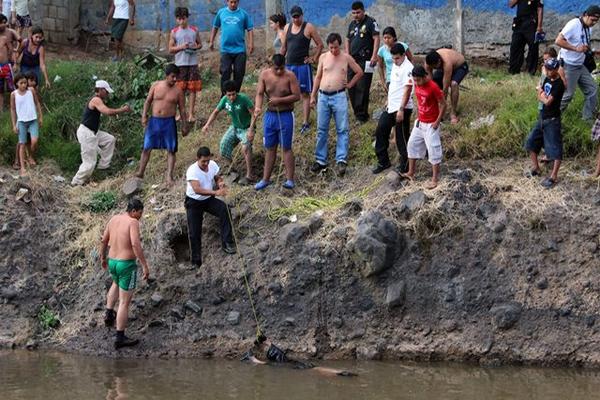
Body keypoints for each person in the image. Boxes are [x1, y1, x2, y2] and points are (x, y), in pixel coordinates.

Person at [310, 33, 363, 176]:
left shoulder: (345, 57)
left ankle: (341, 159)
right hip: (323, 96)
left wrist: (350, 84)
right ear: (328, 46)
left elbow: (359, 71)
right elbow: (318, 76)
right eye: (331, 47)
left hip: (339, 95)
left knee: (342, 128)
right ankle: (320, 160)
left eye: (336, 47)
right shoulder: (323, 57)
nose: (334, 50)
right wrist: (313, 95)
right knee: (321, 129)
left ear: (340, 45)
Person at [100, 197, 150, 349]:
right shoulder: (132, 222)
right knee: (124, 302)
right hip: (126, 264)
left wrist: (103, 257)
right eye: (140, 213)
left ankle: (109, 315)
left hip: (113, 261)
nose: (140, 216)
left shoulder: (114, 218)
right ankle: (120, 337)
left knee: (115, 283)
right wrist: (144, 265)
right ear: (133, 211)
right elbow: (135, 243)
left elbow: (104, 240)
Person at [253, 54, 300, 190]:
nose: (279, 71)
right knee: (270, 148)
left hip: (286, 115)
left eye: (281, 68)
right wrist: (257, 107)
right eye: (276, 69)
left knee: (286, 148)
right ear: (271, 65)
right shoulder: (265, 75)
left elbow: (296, 96)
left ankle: (290, 180)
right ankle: (265, 179)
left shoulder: (290, 76)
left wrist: (280, 100)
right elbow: (260, 94)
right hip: (270, 116)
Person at [135, 64, 188, 186]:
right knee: (146, 147)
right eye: (173, 77)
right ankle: (140, 172)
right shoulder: (156, 86)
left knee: (171, 150)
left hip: (169, 122)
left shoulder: (178, 91)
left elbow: (182, 109)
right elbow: (148, 101)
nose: (175, 79)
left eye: (176, 77)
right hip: (154, 121)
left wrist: (184, 125)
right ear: (167, 76)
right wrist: (144, 116)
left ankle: (169, 175)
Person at [71, 80, 131, 186]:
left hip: (93, 132)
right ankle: (76, 182)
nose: (107, 94)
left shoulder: (98, 100)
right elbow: (107, 111)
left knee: (110, 140)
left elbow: (106, 111)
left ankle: (102, 167)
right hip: (86, 133)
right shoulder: (96, 100)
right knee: (89, 163)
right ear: (101, 90)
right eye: (106, 91)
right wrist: (123, 110)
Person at [185, 146, 236, 268]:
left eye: (208, 160)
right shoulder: (192, 170)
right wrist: (216, 192)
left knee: (224, 210)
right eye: (203, 161)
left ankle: (227, 243)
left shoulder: (212, 165)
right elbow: (197, 189)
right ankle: (196, 262)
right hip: (194, 202)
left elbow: (216, 176)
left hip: (208, 200)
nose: (206, 164)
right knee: (194, 231)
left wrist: (220, 182)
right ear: (198, 159)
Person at [202, 79, 256, 185]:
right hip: (235, 127)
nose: (231, 97)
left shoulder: (243, 99)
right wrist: (207, 125)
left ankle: (250, 175)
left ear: (236, 92)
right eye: (229, 95)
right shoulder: (224, 100)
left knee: (245, 148)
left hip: (246, 128)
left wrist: (251, 130)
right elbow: (216, 112)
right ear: (225, 94)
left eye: (233, 94)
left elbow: (254, 114)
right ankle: (233, 170)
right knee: (223, 146)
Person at [401, 65, 447, 189]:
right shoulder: (416, 84)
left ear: (425, 76)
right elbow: (419, 101)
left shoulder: (433, 87)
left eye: (418, 80)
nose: (416, 82)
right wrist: (418, 116)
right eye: (414, 80)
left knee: (433, 150)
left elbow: (443, 104)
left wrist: (437, 121)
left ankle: (434, 179)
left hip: (431, 123)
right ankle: (411, 172)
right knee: (412, 145)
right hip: (420, 122)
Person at [280, 5, 323, 135]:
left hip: (303, 66)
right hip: (289, 66)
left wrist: (313, 59)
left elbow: (320, 44)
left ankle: (305, 122)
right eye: (293, 17)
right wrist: (278, 62)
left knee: (304, 94)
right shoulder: (287, 27)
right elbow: (284, 48)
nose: (296, 19)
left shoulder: (308, 27)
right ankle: (286, 120)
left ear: (302, 15)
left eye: (298, 16)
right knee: (286, 93)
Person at [373, 43, 414, 175]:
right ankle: (383, 161)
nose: (394, 61)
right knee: (381, 130)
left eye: (397, 58)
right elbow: (395, 86)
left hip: (402, 108)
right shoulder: (396, 65)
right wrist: (389, 100)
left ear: (403, 55)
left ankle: (405, 166)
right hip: (391, 106)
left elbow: (407, 90)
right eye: (393, 59)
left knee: (401, 137)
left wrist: (401, 109)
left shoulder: (408, 67)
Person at [524, 58, 565, 188]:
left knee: (555, 149)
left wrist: (541, 95)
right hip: (542, 117)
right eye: (546, 68)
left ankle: (553, 176)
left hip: (552, 120)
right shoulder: (547, 78)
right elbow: (541, 96)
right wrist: (541, 95)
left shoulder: (559, 85)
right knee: (531, 142)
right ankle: (536, 168)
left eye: (550, 69)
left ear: (556, 69)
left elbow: (547, 101)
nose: (547, 71)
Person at [555, 5, 600, 121]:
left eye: (596, 21)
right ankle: (550, 118)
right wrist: (576, 49)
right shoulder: (574, 24)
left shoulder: (588, 28)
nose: (594, 23)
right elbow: (558, 41)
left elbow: (583, 44)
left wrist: (592, 51)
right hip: (569, 65)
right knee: (567, 95)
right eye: (593, 20)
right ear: (585, 15)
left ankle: (587, 119)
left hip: (580, 65)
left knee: (592, 89)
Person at [242, 334, 357, 377]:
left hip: (292, 366)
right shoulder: (277, 354)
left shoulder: (275, 360)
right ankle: (339, 373)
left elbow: (264, 363)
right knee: (316, 369)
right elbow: (269, 346)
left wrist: (252, 359)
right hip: (293, 363)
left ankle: (340, 373)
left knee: (315, 370)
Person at [209, 0, 254, 94]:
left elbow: (250, 29)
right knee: (225, 72)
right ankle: (225, 95)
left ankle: (235, 94)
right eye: (231, 2)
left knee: (239, 73)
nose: (233, 4)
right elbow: (215, 27)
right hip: (226, 49)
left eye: (235, 2)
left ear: (238, 2)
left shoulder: (243, 14)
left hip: (240, 49)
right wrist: (211, 41)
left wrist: (251, 43)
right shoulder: (221, 13)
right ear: (227, 2)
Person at [345, 1, 380, 123]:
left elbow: (376, 38)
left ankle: (362, 116)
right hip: (352, 60)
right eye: (353, 13)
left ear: (363, 11)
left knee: (363, 87)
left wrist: (374, 56)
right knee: (351, 86)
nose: (355, 15)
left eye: (358, 12)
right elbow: (347, 40)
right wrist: (347, 56)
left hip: (365, 60)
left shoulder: (370, 22)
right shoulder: (351, 24)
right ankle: (356, 112)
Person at [169, 6, 202, 123]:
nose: (181, 21)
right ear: (176, 19)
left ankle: (191, 114)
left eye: (183, 18)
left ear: (187, 18)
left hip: (192, 63)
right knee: (180, 90)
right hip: (180, 64)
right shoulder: (174, 32)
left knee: (193, 89)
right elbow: (170, 49)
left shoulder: (194, 30)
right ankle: (180, 114)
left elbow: (200, 44)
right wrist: (181, 47)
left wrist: (194, 47)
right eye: (179, 19)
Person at [424, 48, 468, 124]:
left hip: (460, 66)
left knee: (453, 84)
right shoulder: (427, 64)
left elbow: (445, 89)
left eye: (436, 66)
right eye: (433, 68)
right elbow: (430, 84)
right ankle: (435, 111)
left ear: (439, 61)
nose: (435, 68)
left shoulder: (446, 62)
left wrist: (442, 110)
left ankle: (453, 113)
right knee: (434, 85)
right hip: (444, 69)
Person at [10, 73, 41, 176]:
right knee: (22, 143)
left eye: (25, 82)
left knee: (34, 141)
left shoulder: (31, 91)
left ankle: (31, 156)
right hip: (22, 121)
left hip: (33, 120)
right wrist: (14, 125)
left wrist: (40, 116)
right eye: (21, 83)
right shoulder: (14, 94)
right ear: (16, 84)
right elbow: (13, 109)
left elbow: (37, 103)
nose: (24, 85)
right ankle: (22, 167)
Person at [508, 0, 544, 75]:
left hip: (531, 22)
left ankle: (530, 71)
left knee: (533, 47)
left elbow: (540, 9)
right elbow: (510, 5)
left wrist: (539, 26)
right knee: (515, 46)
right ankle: (513, 71)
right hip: (519, 23)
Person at [377, 26, 413, 91]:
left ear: (394, 38)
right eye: (385, 38)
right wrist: (383, 81)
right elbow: (380, 66)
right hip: (390, 78)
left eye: (389, 38)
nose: (387, 40)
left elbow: (411, 59)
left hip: (403, 75)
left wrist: (410, 73)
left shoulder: (402, 46)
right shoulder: (381, 50)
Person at [0, 13, 18, 111]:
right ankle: (1, 109)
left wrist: (15, 63)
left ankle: (15, 107)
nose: (3, 25)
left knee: (12, 88)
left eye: (4, 23)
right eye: (1, 23)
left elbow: (12, 51)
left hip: (6, 66)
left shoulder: (5, 39)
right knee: (0, 90)